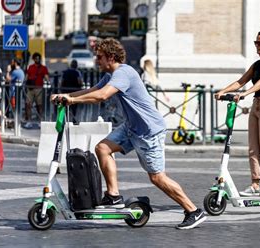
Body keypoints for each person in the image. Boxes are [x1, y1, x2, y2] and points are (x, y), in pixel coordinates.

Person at [50, 38, 206, 230]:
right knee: (103, 148)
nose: (96, 61)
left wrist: (72, 101)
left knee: (157, 177)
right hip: (132, 127)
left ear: (111, 57)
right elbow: (93, 90)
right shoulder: (110, 75)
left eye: (100, 57)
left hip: (149, 131)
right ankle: (114, 196)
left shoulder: (123, 73)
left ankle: (192, 211)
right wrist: (65, 96)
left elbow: (102, 96)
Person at [214, 30, 260, 197]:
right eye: (255, 43)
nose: (256, 46)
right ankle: (255, 184)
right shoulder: (256, 65)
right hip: (257, 105)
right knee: (253, 148)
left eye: (259, 43)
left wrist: (245, 93)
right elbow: (240, 81)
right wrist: (222, 91)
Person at [25, 52, 49, 122]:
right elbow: (27, 76)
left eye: (38, 58)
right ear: (34, 59)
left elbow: (46, 77)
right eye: (36, 58)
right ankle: (29, 120)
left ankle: (40, 120)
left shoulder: (43, 68)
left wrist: (48, 83)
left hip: (39, 89)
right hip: (30, 88)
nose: (37, 60)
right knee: (28, 105)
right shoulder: (30, 67)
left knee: (40, 106)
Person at [61, 59, 83, 124]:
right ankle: (74, 119)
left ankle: (64, 120)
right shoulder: (77, 72)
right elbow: (79, 81)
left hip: (66, 91)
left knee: (65, 105)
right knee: (74, 106)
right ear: (76, 66)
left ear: (70, 65)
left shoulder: (65, 72)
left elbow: (62, 82)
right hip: (74, 91)